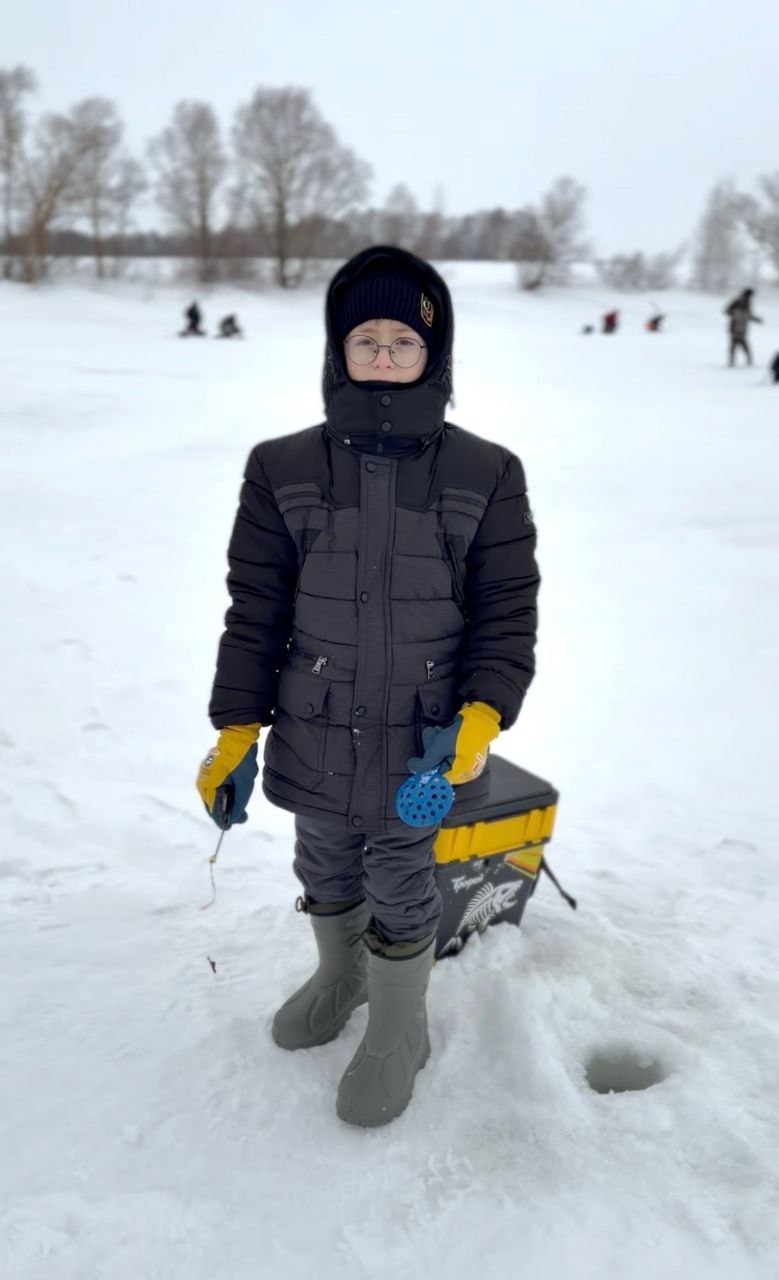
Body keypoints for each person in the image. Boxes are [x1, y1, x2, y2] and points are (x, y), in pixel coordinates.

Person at [196, 246, 540, 1128]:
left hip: (424, 741)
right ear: (335, 352)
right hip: (315, 725)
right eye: (365, 340)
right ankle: (340, 972)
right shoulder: (280, 467)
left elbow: (506, 611)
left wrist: (481, 713)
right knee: (321, 858)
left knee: (400, 878)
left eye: (402, 341)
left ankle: (399, 1025)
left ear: (435, 356)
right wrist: (238, 728)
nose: (383, 357)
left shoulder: (485, 472)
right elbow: (255, 610)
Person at [725, 288, 763, 366]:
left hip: (742, 327)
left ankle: (745, 360)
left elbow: (748, 316)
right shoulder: (737, 301)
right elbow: (727, 311)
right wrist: (737, 314)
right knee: (735, 343)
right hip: (735, 327)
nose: (751, 297)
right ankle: (732, 361)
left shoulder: (748, 303)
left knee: (742, 343)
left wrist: (756, 319)